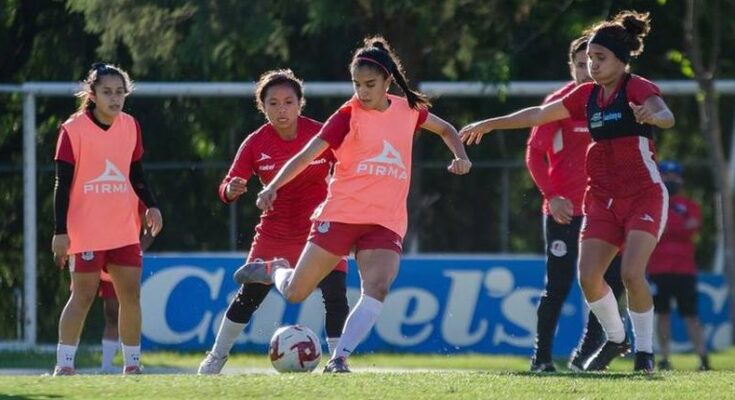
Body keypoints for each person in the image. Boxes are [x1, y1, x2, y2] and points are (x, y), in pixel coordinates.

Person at [234, 36, 471, 373]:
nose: (362, 91)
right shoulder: (347, 115)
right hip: (341, 214)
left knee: (378, 286)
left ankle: (339, 358)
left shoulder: (408, 111)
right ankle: (276, 269)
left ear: (388, 81)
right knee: (297, 292)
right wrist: (271, 186)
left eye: (370, 84)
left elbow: (447, 130)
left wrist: (460, 156)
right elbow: (306, 156)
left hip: (385, 220)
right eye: (356, 84)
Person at [460, 10, 675, 373]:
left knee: (631, 275)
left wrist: (654, 116)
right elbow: (536, 115)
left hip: (644, 194)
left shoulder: (635, 87)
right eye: (589, 58)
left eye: (599, 57)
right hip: (602, 199)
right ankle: (616, 338)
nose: (592, 64)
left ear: (621, 61)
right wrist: (490, 124)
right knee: (588, 277)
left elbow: (664, 113)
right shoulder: (585, 95)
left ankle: (644, 353)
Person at [197, 70, 350, 375]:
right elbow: (227, 184)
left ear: (300, 104)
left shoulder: (321, 135)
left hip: (319, 230)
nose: (282, 109)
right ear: (262, 106)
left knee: (335, 293)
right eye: (273, 103)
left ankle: (337, 361)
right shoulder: (255, 143)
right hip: (274, 232)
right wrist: (231, 188)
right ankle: (216, 357)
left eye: (288, 102)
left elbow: (351, 164)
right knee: (249, 296)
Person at [52, 63, 163, 376]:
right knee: (82, 295)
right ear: (93, 94)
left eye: (120, 92)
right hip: (85, 230)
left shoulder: (130, 125)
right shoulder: (72, 130)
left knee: (131, 295)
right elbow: (62, 184)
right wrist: (60, 231)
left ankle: (132, 365)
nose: (115, 98)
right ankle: (64, 365)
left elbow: (136, 173)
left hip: (123, 228)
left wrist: (151, 205)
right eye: (107, 92)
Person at [526, 35, 625, 373]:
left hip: (607, 213)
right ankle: (541, 358)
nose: (588, 70)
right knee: (557, 286)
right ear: (572, 66)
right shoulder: (560, 103)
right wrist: (551, 196)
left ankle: (586, 357)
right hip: (564, 213)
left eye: (594, 62)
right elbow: (534, 154)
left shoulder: (616, 102)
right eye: (581, 64)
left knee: (608, 284)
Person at [647, 160, 711, 371]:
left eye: (675, 176)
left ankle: (703, 359)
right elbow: (655, 230)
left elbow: (692, 227)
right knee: (662, 314)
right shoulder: (653, 202)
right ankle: (664, 358)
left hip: (685, 271)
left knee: (691, 316)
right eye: (666, 176)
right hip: (658, 269)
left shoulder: (690, 205)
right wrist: (678, 227)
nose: (670, 180)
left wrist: (669, 229)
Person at [99, 204, 155, 374]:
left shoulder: (134, 190)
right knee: (80, 299)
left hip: (120, 256)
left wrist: (136, 250)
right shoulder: (94, 188)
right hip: (91, 251)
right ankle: (66, 362)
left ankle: (124, 364)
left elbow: (149, 228)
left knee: (114, 310)